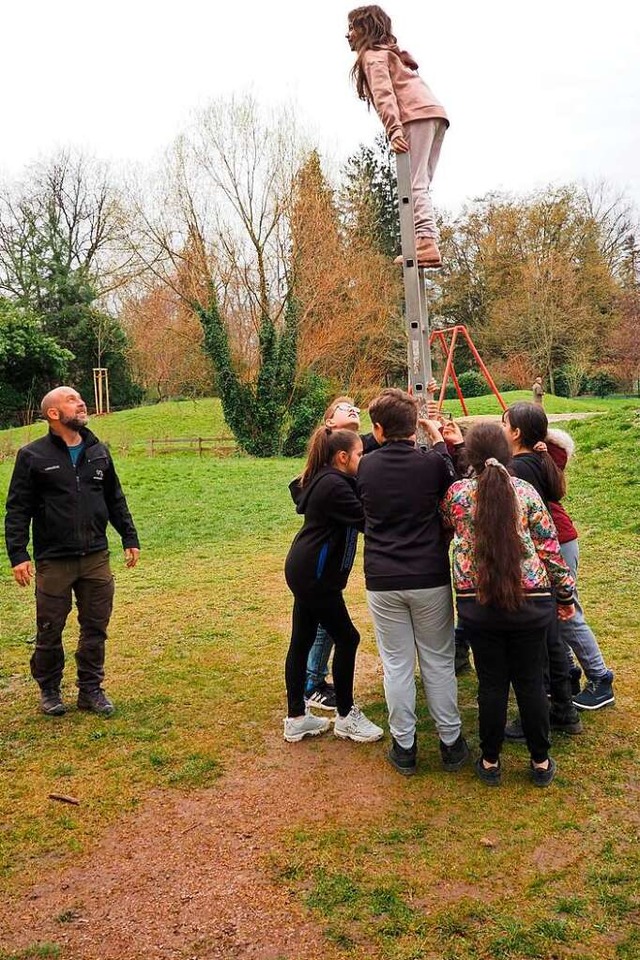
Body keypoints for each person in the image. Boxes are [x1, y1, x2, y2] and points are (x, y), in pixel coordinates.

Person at [441, 422, 576, 788]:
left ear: (468, 456)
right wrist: (565, 596)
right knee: (531, 681)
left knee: (491, 684)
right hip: (531, 603)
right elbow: (550, 550)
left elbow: (444, 526)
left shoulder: (457, 495)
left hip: (477, 605)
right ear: (506, 451)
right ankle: (540, 761)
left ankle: (489, 760)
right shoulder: (527, 493)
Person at [4, 386, 140, 717]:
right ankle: (49, 690)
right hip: (54, 560)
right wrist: (18, 554)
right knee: (50, 628)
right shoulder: (32, 456)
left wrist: (129, 537)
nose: (80, 403)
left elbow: (115, 498)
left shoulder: (99, 451)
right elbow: (18, 509)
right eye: (71, 400)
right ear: (53, 414)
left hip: (95, 556)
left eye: (80, 399)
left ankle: (90, 689)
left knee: (95, 626)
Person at [356, 388, 468, 775]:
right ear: (413, 428)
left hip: (383, 578)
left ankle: (404, 746)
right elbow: (451, 480)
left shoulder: (365, 466)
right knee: (437, 662)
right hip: (428, 575)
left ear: (379, 430)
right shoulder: (431, 464)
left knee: (397, 664)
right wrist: (437, 437)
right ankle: (451, 743)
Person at [284, 427, 383, 744]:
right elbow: (368, 521)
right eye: (359, 455)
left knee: (302, 640)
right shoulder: (334, 486)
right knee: (348, 638)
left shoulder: (330, 477)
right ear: (342, 458)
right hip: (316, 576)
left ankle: (297, 718)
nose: (363, 459)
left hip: (307, 569)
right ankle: (345, 715)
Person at [501, 402, 583, 736]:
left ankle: (548, 711)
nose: (500, 428)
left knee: (537, 644)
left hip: (533, 563)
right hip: (550, 557)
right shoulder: (540, 460)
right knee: (551, 637)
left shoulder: (518, 470)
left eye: (504, 423)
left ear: (517, 432)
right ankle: (564, 706)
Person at [347, 5, 449, 268]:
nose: (347, 35)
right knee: (421, 183)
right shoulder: (390, 53)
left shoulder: (372, 56)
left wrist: (394, 129)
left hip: (415, 115)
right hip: (434, 113)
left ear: (364, 29)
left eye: (351, 28)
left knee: (413, 183)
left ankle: (425, 242)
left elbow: (384, 95)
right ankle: (424, 240)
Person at [303, 397, 378, 712]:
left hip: (332, 562)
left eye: (358, 410)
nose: (355, 411)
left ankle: (309, 683)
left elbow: (386, 432)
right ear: (329, 422)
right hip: (321, 563)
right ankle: (312, 684)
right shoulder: (328, 468)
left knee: (316, 623)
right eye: (345, 408)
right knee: (333, 627)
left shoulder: (353, 452)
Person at [541, 428, 615, 710]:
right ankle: (567, 672)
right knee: (553, 612)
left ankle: (600, 677)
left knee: (567, 612)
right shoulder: (540, 453)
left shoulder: (548, 453)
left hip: (558, 540)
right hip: (555, 539)